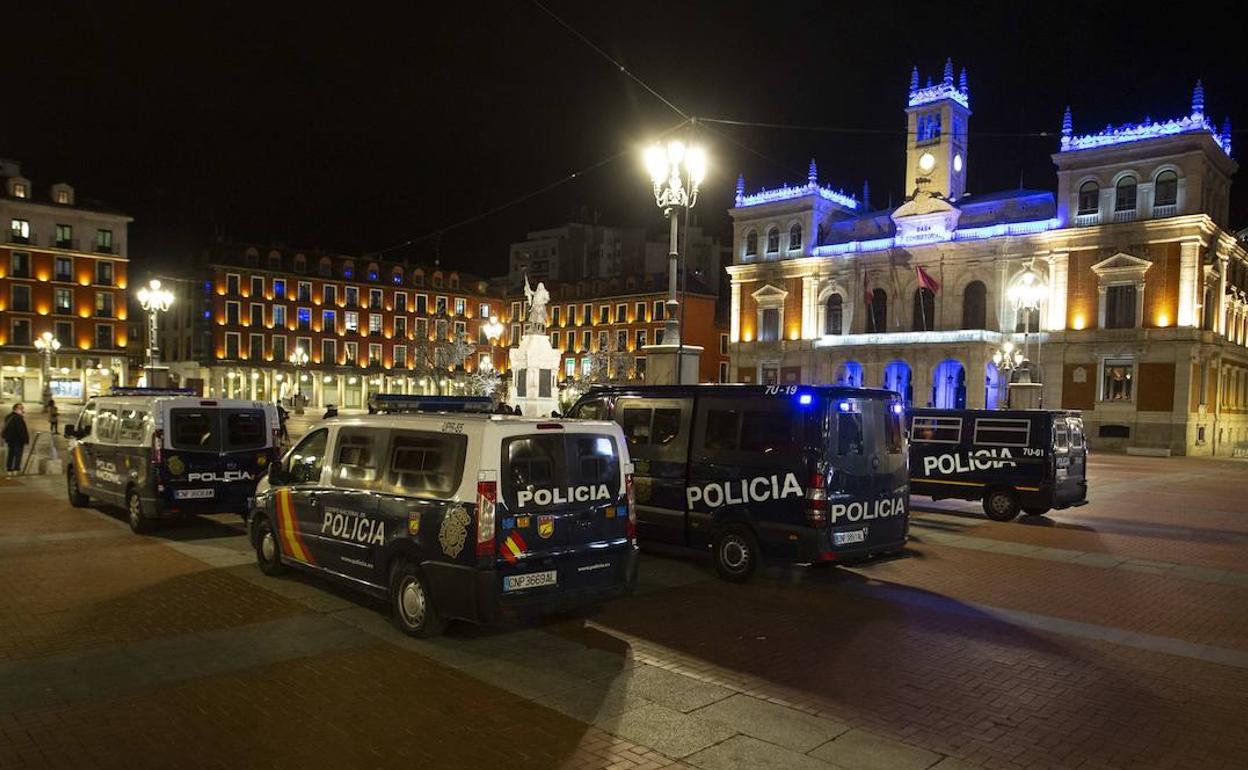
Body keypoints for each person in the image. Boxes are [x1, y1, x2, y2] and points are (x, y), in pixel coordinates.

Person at [3, 403, 29, 477]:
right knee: (18, 455)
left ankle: (9, 469)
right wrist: (25, 439)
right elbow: (21, 430)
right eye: (21, 408)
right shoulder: (18, 418)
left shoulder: (8, 416)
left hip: (10, 440)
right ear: (16, 409)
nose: (23, 410)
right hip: (18, 440)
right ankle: (16, 469)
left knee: (10, 454)